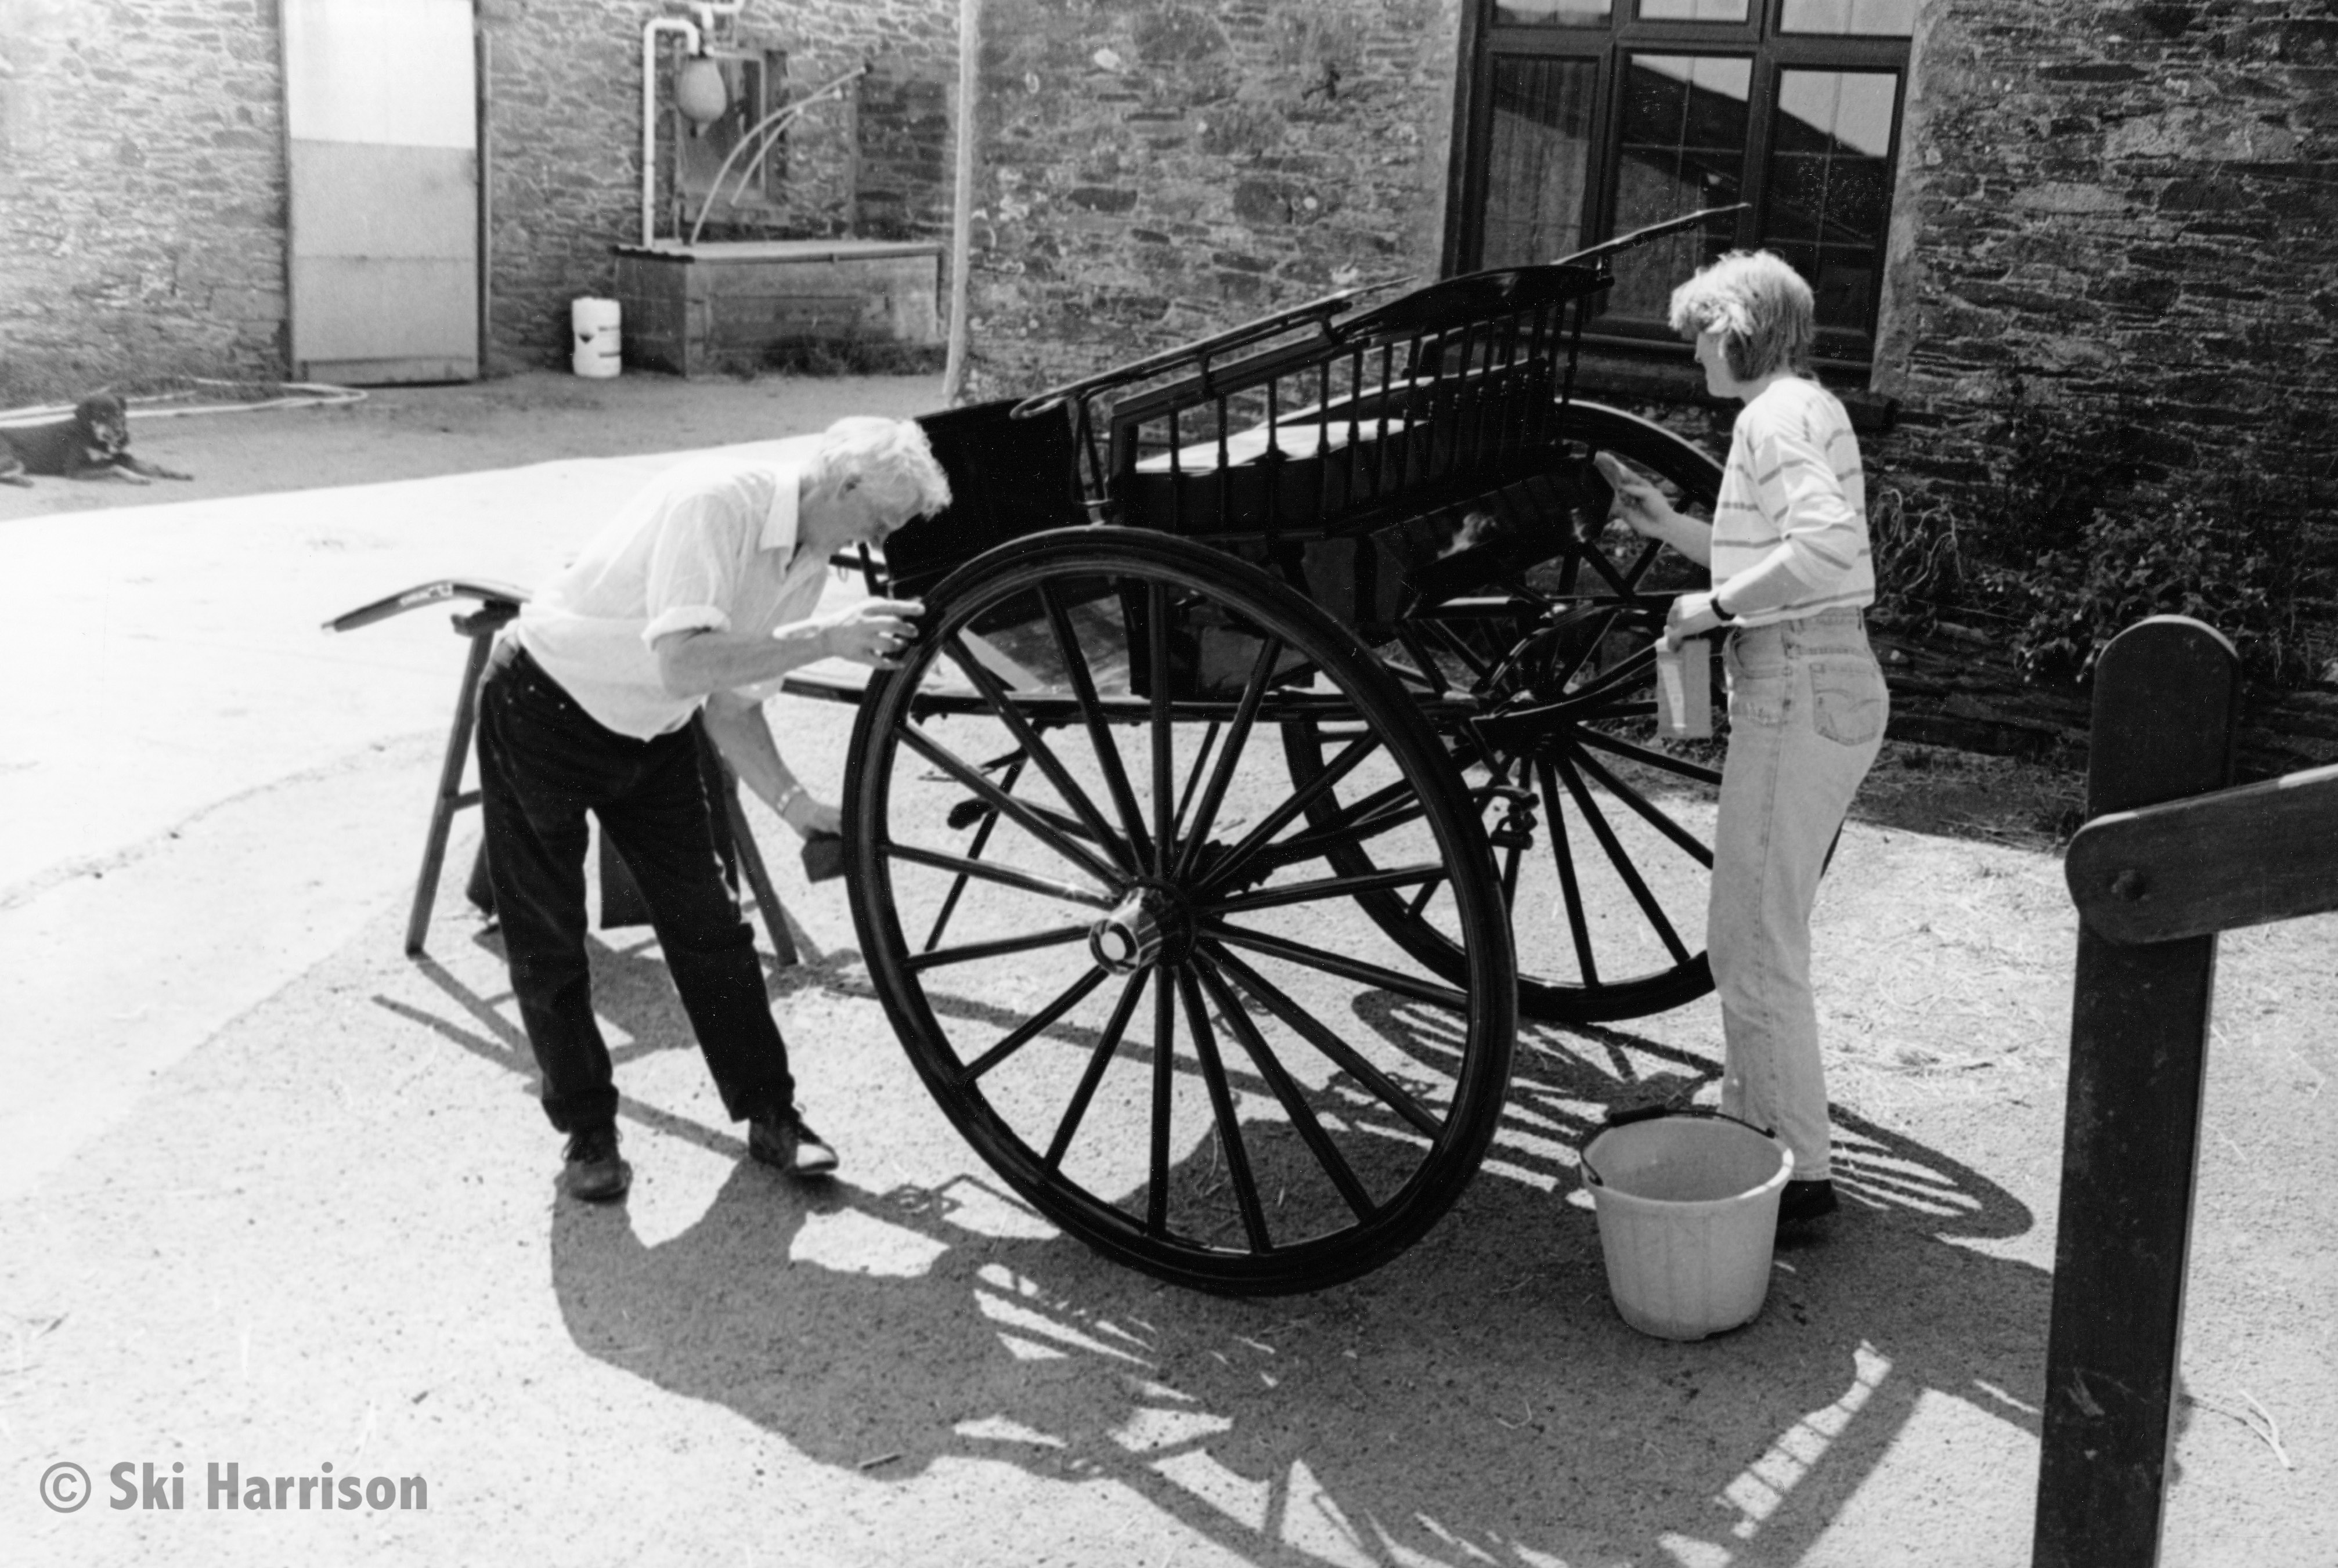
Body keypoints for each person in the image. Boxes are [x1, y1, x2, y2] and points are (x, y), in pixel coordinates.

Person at [477, 415, 951, 1202]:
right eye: (882, 517)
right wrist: (826, 639)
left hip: (655, 731)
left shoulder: (808, 560)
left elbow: (728, 705)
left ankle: (773, 1114)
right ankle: (588, 1132)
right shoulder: (717, 504)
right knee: (549, 935)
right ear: (846, 482)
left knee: (711, 926)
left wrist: (797, 807)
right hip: (547, 707)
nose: (884, 536)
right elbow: (684, 660)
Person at [1599, 250, 1890, 1231]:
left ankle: (1802, 1174)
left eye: (1699, 336)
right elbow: (1789, 553)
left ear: (1737, 330)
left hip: (1798, 676)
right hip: (1818, 672)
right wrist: (1671, 523)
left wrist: (1713, 603)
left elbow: (1826, 547)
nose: (1693, 357)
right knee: (1753, 930)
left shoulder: (1772, 418)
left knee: (1757, 940)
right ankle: (1752, 1127)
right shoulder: (1802, 409)